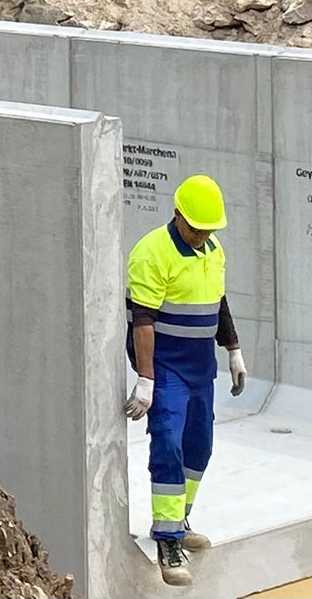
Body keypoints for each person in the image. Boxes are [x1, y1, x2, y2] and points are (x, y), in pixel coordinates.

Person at [124, 175, 246, 588]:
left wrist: (232, 349)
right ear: (177, 215)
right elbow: (143, 320)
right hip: (168, 367)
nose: (202, 236)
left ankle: (179, 516)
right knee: (169, 444)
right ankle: (168, 540)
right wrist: (146, 379)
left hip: (199, 368)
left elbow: (219, 302)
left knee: (200, 445)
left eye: (208, 229)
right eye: (196, 228)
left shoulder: (213, 250)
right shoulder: (151, 253)